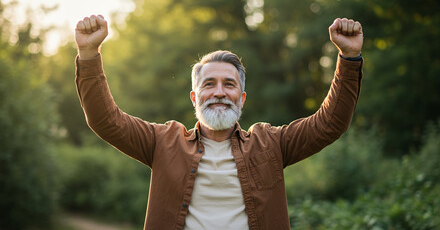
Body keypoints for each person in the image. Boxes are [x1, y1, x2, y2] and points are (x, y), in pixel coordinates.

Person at [74, 14, 363, 230]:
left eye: (229, 84)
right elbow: (105, 120)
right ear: (194, 97)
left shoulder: (271, 143)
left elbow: (330, 123)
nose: (220, 92)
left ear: (242, 98)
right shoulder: (162, 141)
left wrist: (349, 58)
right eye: (209, 84)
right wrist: (88, 54)